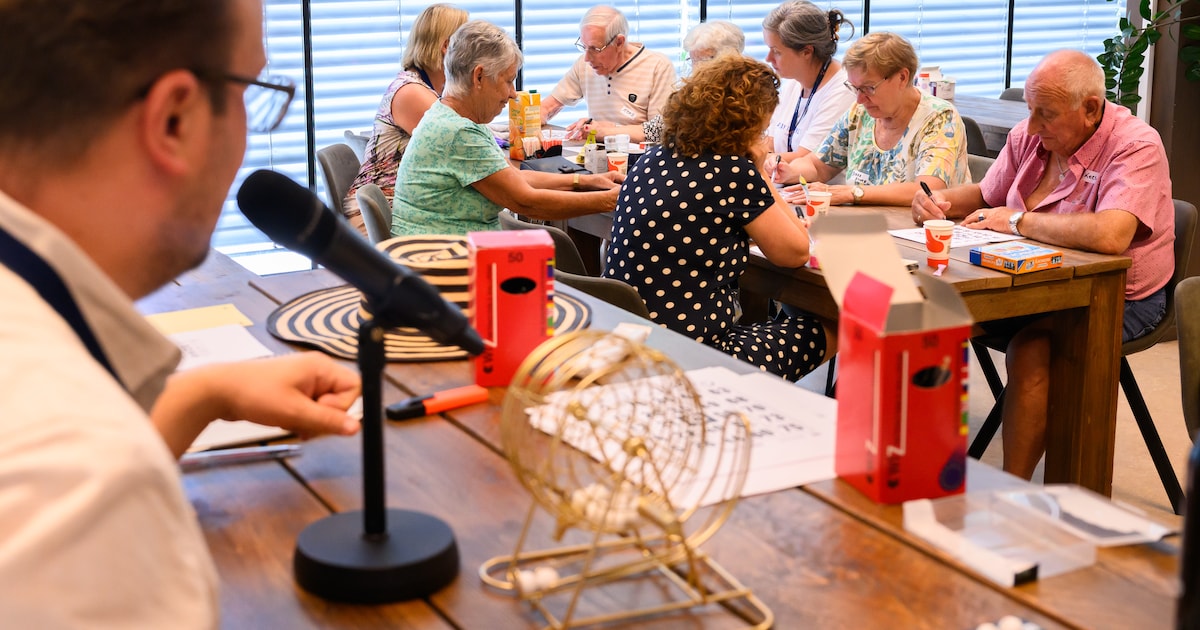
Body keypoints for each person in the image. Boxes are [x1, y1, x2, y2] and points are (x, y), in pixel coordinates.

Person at [0, 0, 364, 625]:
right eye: (253, 88)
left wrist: (205, 395)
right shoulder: (77, 484)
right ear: (174, 118)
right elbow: (77, 467)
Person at [911, 49, 1174, 480]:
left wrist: (1017, 222)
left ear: (1090, 109)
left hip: (1116, 295)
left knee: (1032, 349)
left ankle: (1016, 500)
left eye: (1045, 114)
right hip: (1024, 279)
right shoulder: (1031, 134)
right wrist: (939, 201)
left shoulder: (1136, 145)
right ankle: (914, 467)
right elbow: (984, 195)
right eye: (1030, 111)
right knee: (921, 313)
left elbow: (1111, 236)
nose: (1031, 127)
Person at [603, 54, 831, 382]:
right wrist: (759, 171)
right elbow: (795, 251)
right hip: (695, 355)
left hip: (633, 344)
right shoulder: (732, 171)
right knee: (832, 324)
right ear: (750, 123)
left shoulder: (653, 157)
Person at [391, 20, 622, 237]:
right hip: (440, 260)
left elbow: (515, 177)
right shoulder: (458, 132)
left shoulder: (451, 117)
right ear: (479, 76)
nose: (512, 93)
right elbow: (526, 201)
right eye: (508, 81)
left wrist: (588, 181)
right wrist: (612, 199)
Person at [772, 31, 969, 207]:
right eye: (855, 88)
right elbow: (817, 165)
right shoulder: (859, 113)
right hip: (870, 227)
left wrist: (854, 193)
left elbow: (927, 189)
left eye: (868, 88)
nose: (859, 99)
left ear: (902, 77)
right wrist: (789, 171)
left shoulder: (940, 118)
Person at [341, 4, 468, 236]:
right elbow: (465, 148)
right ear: (447, 47)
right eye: (469, 43)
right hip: (378, 218)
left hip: (400, 208)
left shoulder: (424, 87)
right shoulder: (411, 92)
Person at [584, 20, 745, 144]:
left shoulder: (743, 94)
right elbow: (655, 129)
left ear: (726, 59)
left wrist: (604, 132)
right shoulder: (692, 92)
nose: (696, 68)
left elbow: (658, 132)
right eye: (692, 60)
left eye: (701, 60)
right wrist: (606, 129)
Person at [538, 5, 678, 141]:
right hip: (597, 154)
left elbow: (660, 132)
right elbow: (548, 107)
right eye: (584, 47)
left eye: (595, 49)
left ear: (619, 42)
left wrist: (604, 131)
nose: (587, 58)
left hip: (638, 159)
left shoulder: (658, 67)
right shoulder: (585, 65)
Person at [762, 1, 857, 163]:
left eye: (776, 52)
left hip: (818, 187)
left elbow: (806, 158)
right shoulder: (794, 81)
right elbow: (769, 143)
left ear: (806, 51)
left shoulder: (844, 89)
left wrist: (751, 161)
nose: (768, 59)